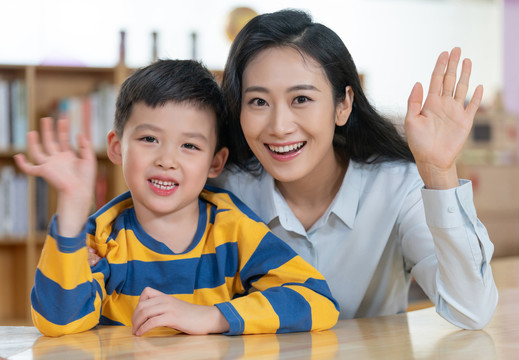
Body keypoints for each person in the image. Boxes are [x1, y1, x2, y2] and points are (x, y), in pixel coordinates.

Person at [210, 9, 498, 329]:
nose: (279, 127)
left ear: (343, 105)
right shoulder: (223, 190)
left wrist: (440, 173)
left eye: (301, 99)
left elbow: (471, 312)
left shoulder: (397, 186)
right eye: (259, 102)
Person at [14, 59, 339, 337]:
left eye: (190, 146)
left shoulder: (233, 230)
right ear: (116, 147)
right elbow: (59, 323)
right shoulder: (103, 240)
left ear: (215, 162)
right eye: (149, 138)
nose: (167, 160)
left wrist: (212, 317)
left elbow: (316, 300)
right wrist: (72, 205)